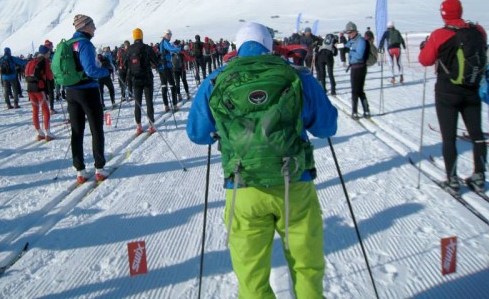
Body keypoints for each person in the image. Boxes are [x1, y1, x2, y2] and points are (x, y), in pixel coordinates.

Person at [187, 22, 337, 299]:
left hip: (243, 187)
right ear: (270, 45)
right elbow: (327, 127)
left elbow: (197, 134)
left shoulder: (216, 80)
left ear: (237, 47)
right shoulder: (297, 76)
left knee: (251, 276)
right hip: (295, 185)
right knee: (307, 268)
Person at [419, 0, 487, 192]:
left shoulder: (439, 34)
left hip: (446, 92)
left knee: (449, 137)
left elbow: (425, 60)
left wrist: (427, 47)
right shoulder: (478, 31)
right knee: (477, 134)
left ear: (443, 14)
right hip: (472, 89)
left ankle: (453, 179)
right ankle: (479, 176)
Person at [66, 14, 111, 184]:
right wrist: (106, 71)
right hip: (87, 91)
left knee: (76, 131)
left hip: (71, 91)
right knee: (96, 129)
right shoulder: (85, 44)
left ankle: (80, 170)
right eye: (92, 25)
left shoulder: (70, 44)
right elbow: (91, 70)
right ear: (84, 27)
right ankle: (99, 168)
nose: (94, 28)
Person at [125, 28, 159, 135]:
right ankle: (151, 125)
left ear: (134, 37)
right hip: (147, 78)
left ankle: (138, 126)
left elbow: (126, 64)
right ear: (142, 36)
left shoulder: (129, 49)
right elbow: (156, 61)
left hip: (135, 79)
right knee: (149, 102)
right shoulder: (147, 48)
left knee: (137, 103)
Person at [25, 45, 55, 141]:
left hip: (30, 89)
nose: (49, 55)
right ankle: (48, 133)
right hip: (39, 88)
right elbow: (50, 77)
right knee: (45, 110)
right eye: (48, 53)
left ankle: (39, 132)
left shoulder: (31, 61)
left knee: (35, 110)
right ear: (46, 53)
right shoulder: (45, 62)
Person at [345, 21, 370, 119]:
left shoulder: (361, 41)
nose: (349, 34)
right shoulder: (352, 40)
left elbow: (359, 55)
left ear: (355, 31)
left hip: (359, 67)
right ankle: (366, 110)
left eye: (350, 32)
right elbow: (347, 46)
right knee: (358, 90)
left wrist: (350, 51)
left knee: (355, 91)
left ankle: (355, 112)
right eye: (348, 32)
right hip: (354, 67)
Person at [157, 29, 181, 112]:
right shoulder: (165, 42)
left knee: (164, 86)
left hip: (161, 68)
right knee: (172, 86)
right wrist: (178, 48)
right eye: (169, 34)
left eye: (170, 34)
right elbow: (171, 49)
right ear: (165, 35)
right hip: (166, 67)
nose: (170, 36)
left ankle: (166, 105)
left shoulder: (161, 42)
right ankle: (174, 105)